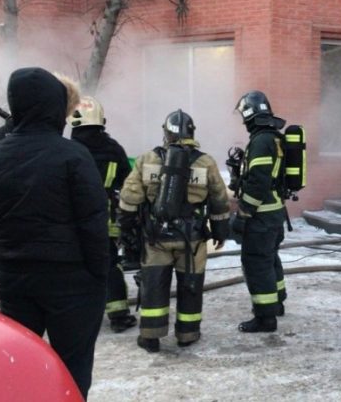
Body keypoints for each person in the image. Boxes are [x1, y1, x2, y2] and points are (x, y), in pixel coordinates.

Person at [0, 67, 108, 399]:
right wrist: (97, 274)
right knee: (72, 367)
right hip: (72, 282)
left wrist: (7, 259)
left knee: (20, 364)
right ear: (55, 105)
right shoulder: (73, 155)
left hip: (17, 283)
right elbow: (93, 223)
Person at [118, 109, 230, 353]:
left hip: (156, 238)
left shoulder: (147, 159)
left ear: (166, 133)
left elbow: (129, 198)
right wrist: (221, 232)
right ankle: (187, 334)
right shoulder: (206, 162)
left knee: (154, 285)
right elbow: (220, 201)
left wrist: (126, 230)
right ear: (191, 133)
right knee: (191, 285)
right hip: (193, 240)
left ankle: (150, 336)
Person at [68, 95, 138, 333]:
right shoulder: (113, 149)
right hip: (104, 221)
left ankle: (77, 317)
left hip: (71, 223)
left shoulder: (67, 149)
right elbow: (128, 184)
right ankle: (118, 315)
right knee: (109, 265)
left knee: (74, 267)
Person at [230, 90, 288, 333]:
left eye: (244, 116)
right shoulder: (272, 137)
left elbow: (258, 182)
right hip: (274, 213)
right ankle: (277, 302)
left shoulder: (262, 140)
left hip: (261, 216)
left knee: (256, 263)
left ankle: (265, 318)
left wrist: (243, 213)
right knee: (269, 258)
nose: (243, 122)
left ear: (250, 115)